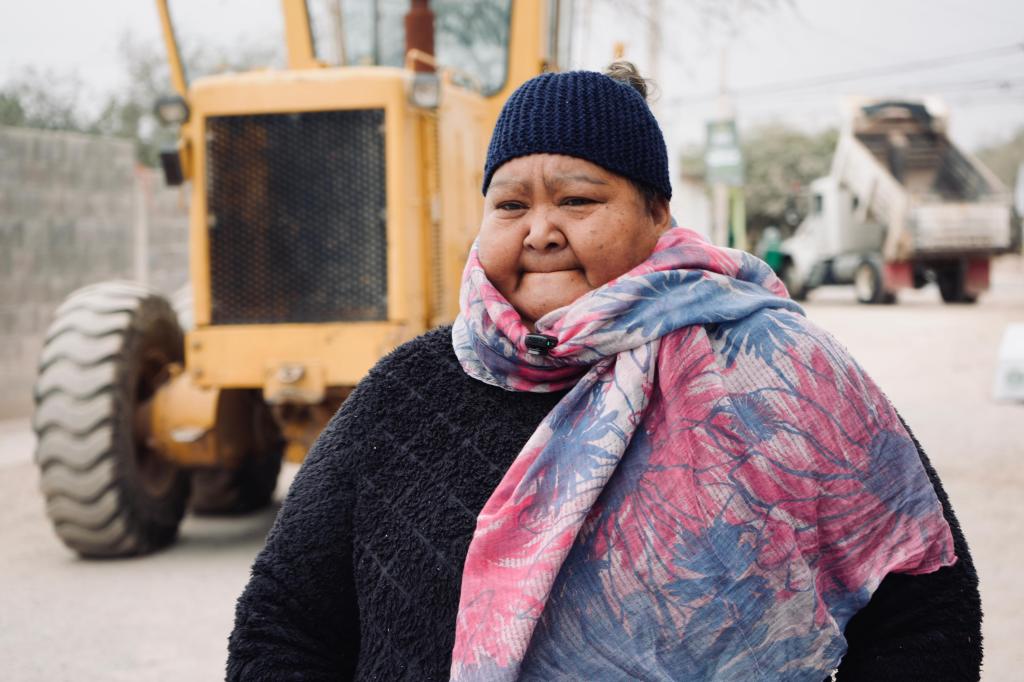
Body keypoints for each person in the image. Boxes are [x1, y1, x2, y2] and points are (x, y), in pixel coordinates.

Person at [227, 63, 981, 681]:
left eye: (579, 200)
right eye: (510, 204)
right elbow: (284, 621)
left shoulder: (782, 377)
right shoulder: (412, 390)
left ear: (658, 215)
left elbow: (925, 606)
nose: (541, 231)